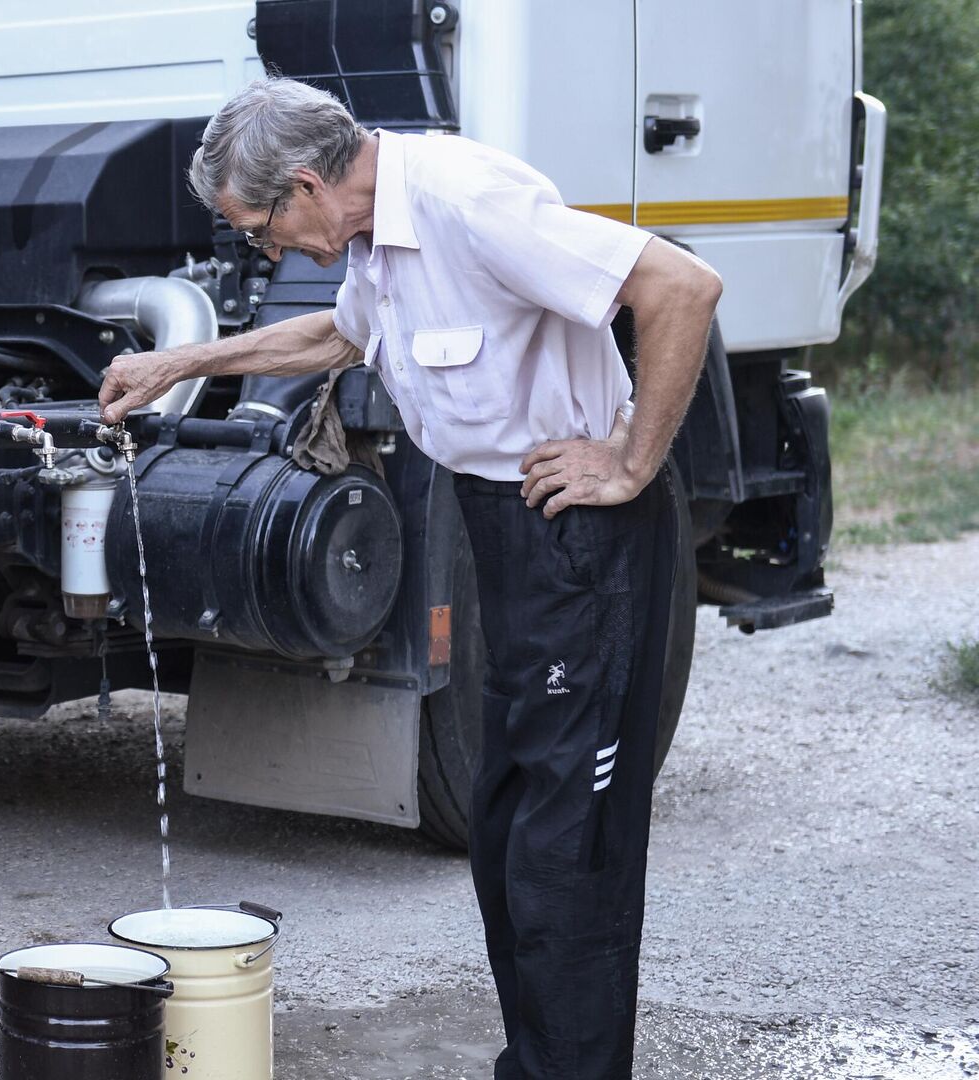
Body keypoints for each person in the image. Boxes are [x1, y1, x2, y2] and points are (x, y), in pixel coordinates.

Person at [97, 77, 722, 1080]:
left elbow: (680, 287)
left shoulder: (465, 201)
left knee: (569, 839)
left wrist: (631, 459)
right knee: (509, 820)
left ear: (305, 185)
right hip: (506, 527)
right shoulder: (375, 235)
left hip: (582, 537)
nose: (271, 249)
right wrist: (185, 364)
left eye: (260, 228)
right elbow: (342, 335)